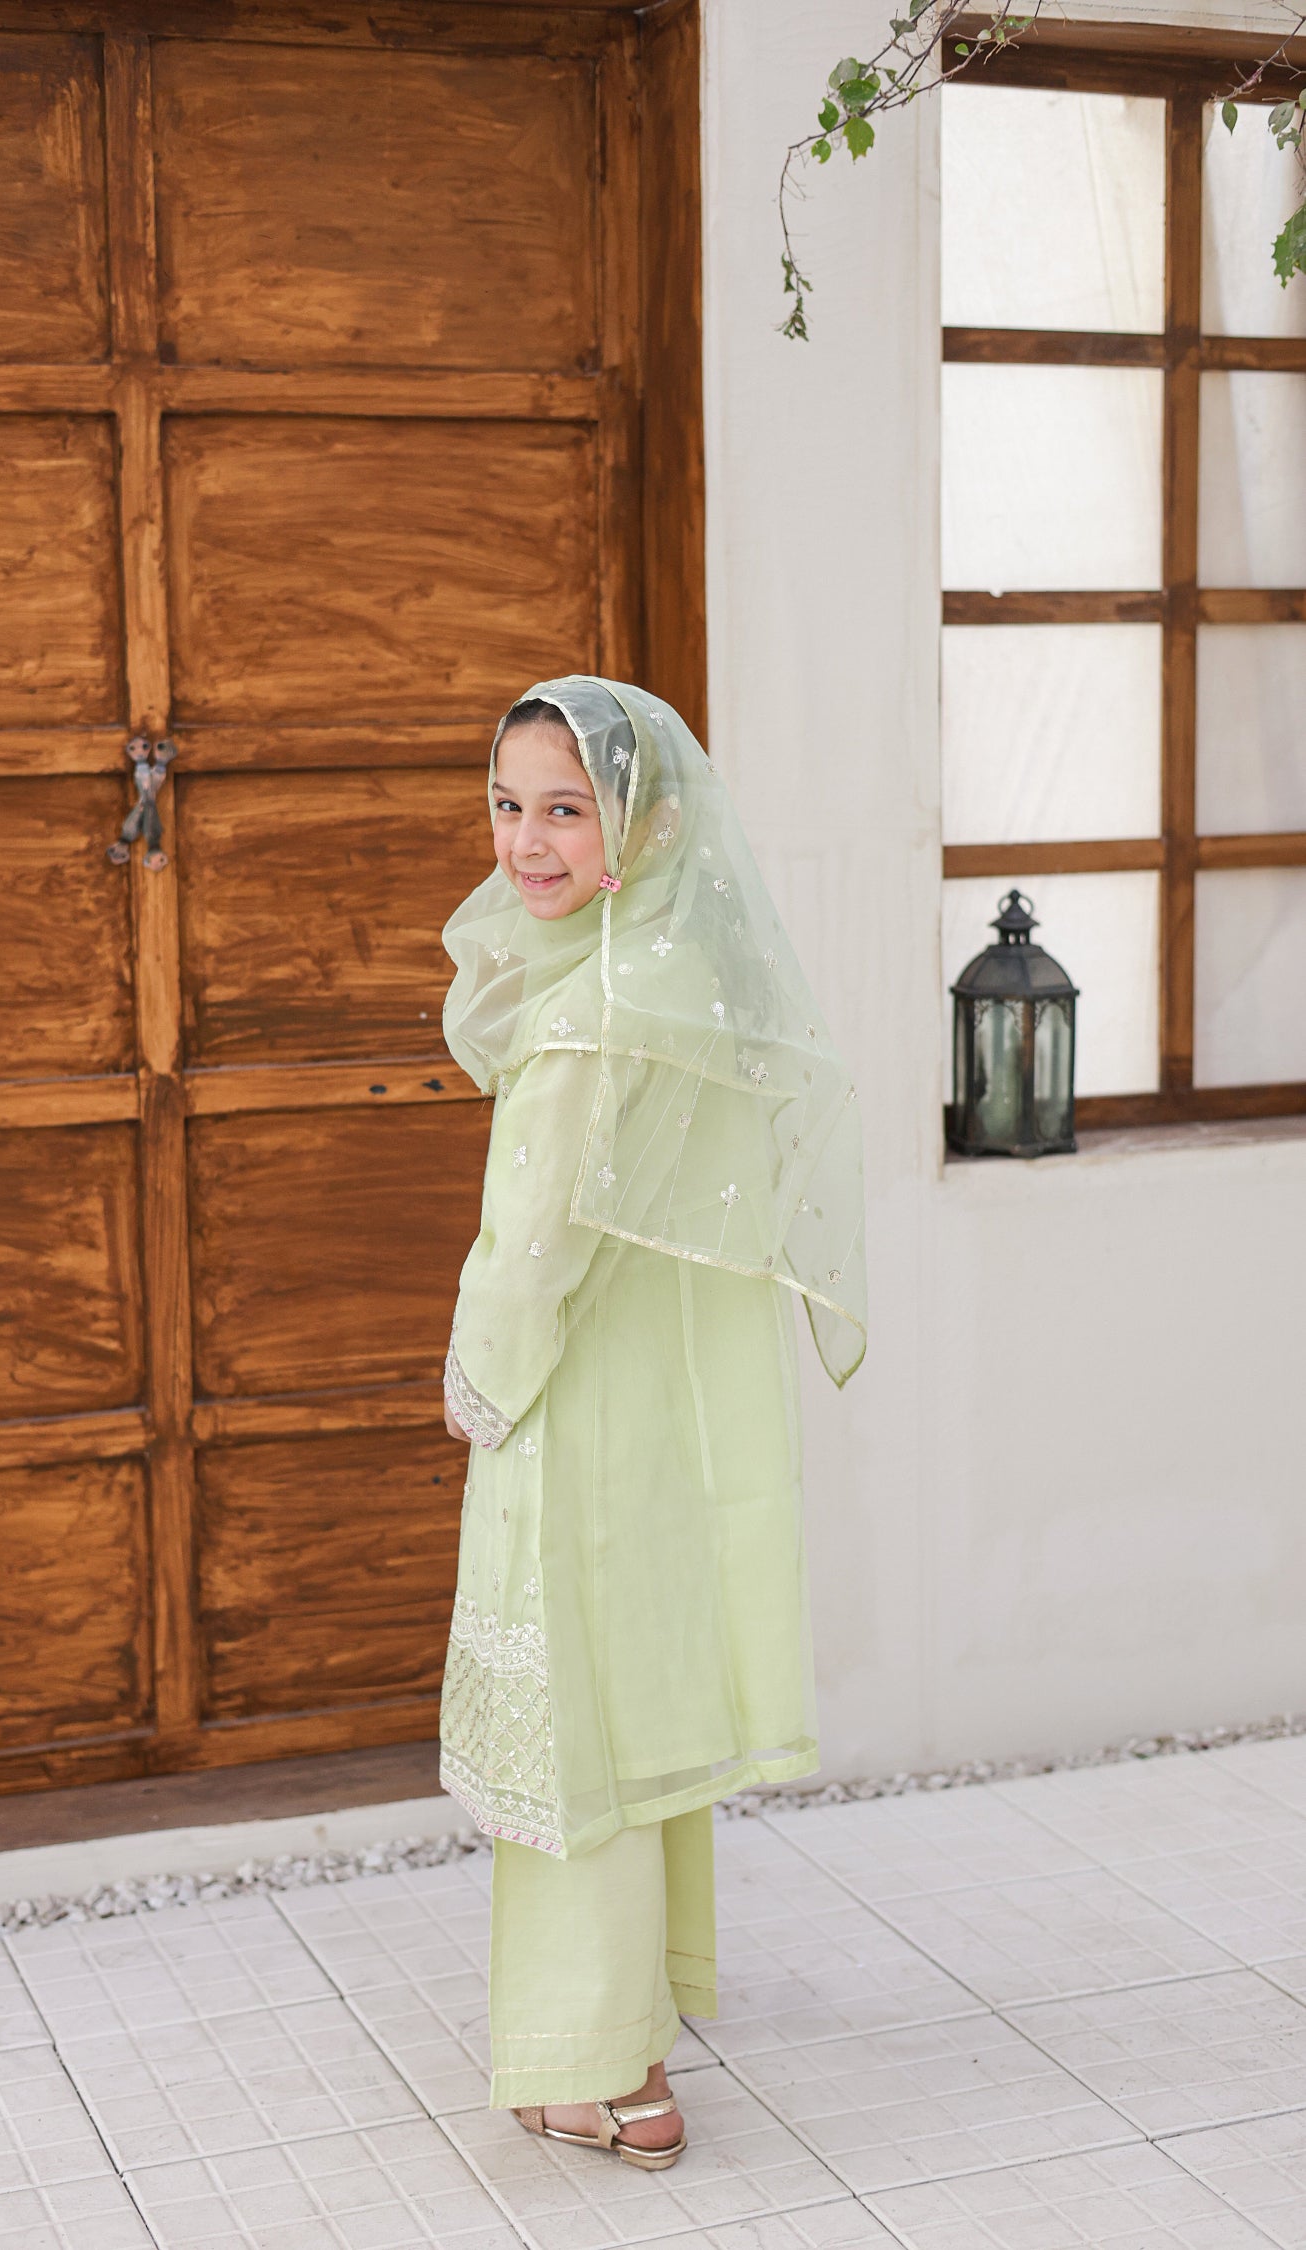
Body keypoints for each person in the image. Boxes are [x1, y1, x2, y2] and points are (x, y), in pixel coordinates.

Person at [438, 676, 865, 2167]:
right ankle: (644, 2008)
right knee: (628, 1707)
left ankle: (600, 2065)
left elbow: (535, 1240)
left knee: (569, 1728)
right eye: (508, 802)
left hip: (574, 1406)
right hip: (659, 1425)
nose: (529, 840)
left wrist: (478, 1380)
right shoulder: (687, 973)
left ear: (649, 821)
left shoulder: (593, 1012)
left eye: (568, 806)